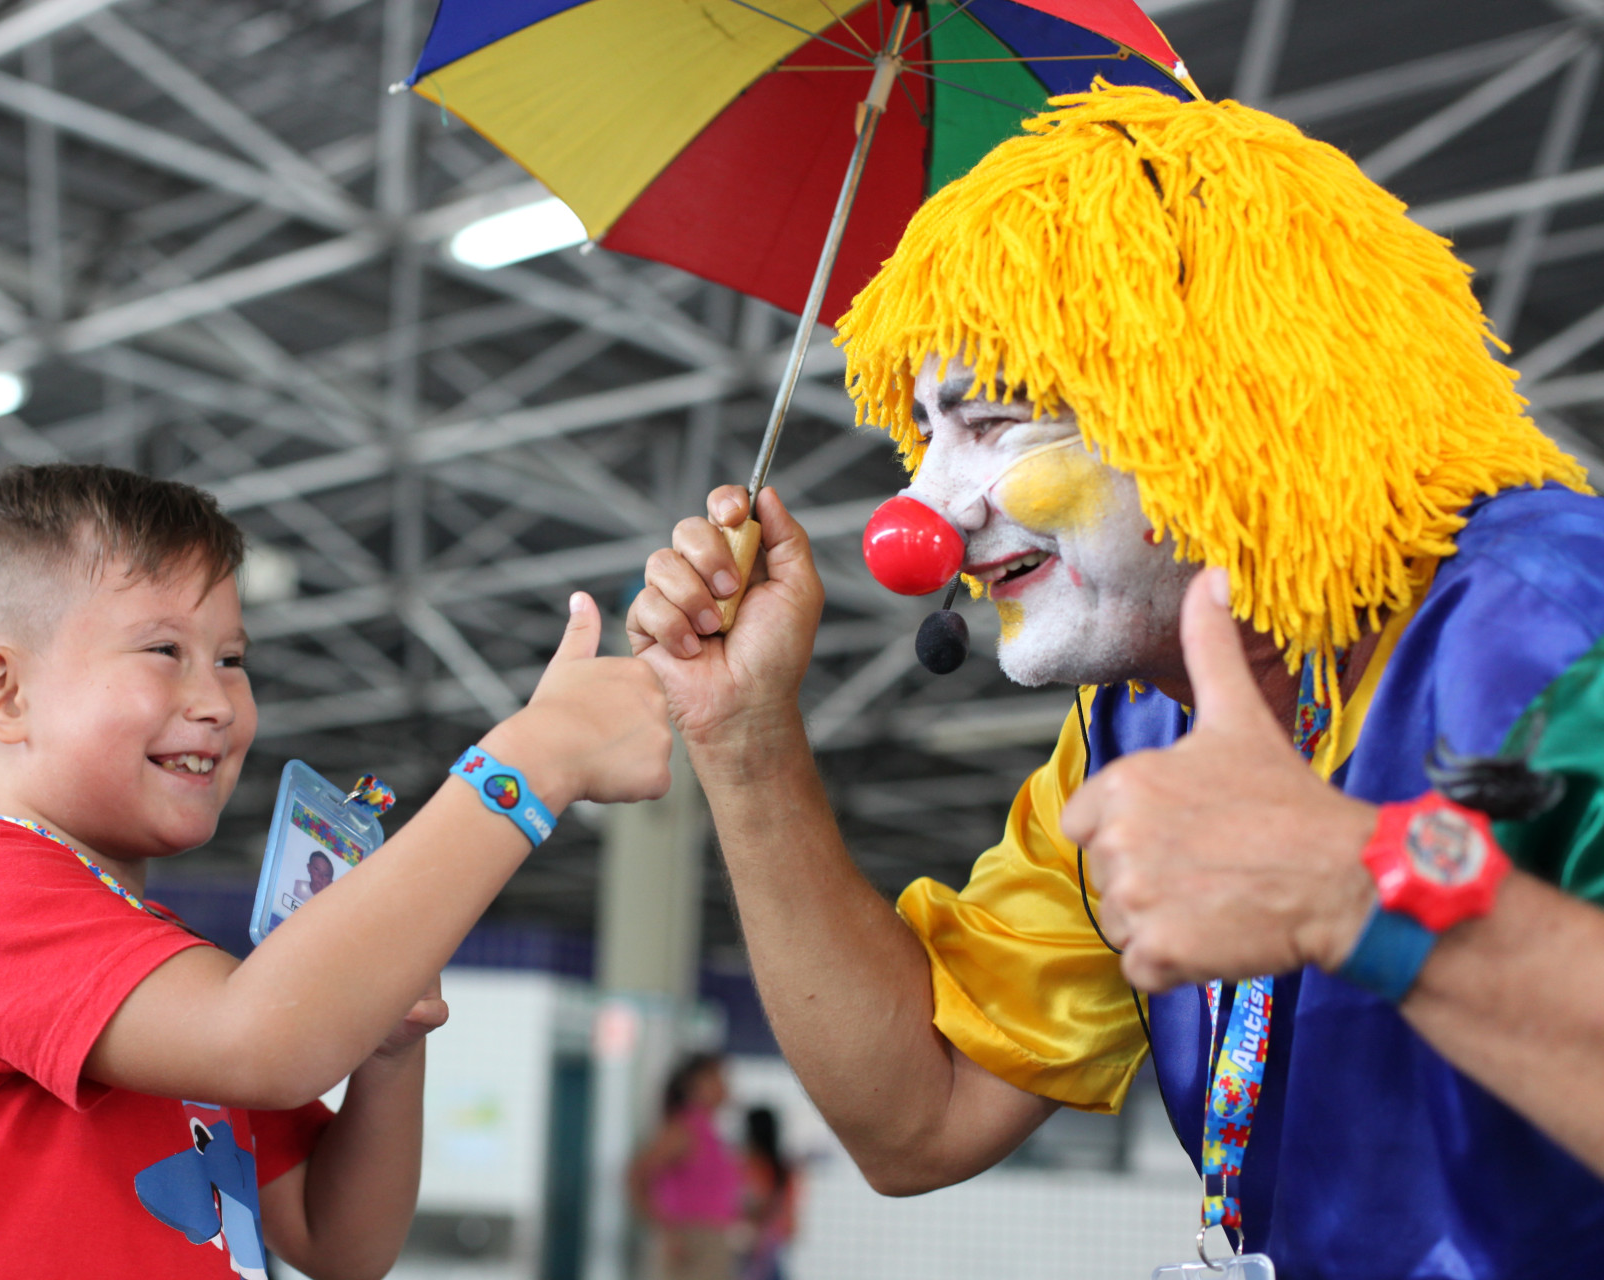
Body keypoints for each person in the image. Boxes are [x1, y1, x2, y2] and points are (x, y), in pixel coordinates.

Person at [627, 84, 1604, 1277]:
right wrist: (744, 736)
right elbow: (918, 1116)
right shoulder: (1134, 726)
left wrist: (1359, 893)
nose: (926, 513)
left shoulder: (1557, 623)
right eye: (927, 436)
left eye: (994, 423)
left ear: (1224, 401)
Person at [0, 463, 672, 1279]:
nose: (217, 702)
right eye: (163, 651)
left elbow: (338, 1242)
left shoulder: (169, 976)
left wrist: (386, 1050)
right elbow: (262, 1041)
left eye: (231, 659)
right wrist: (528, 767)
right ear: (3, 693)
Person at [628, 1053, 743, 1280]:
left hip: (714, 1239)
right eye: (717, 1078)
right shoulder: (684, 1130)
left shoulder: (712, 1133)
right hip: (690, 1243)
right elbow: (636, 1175)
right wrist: (665, 1229)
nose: (724, 1085)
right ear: (695, 1086)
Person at [739, 1107, 796, 1280]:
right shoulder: (784, 1168)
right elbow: (789, 1214)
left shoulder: (746, 1163)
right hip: (773, 1243)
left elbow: (745, 1203)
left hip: (748, 1242)